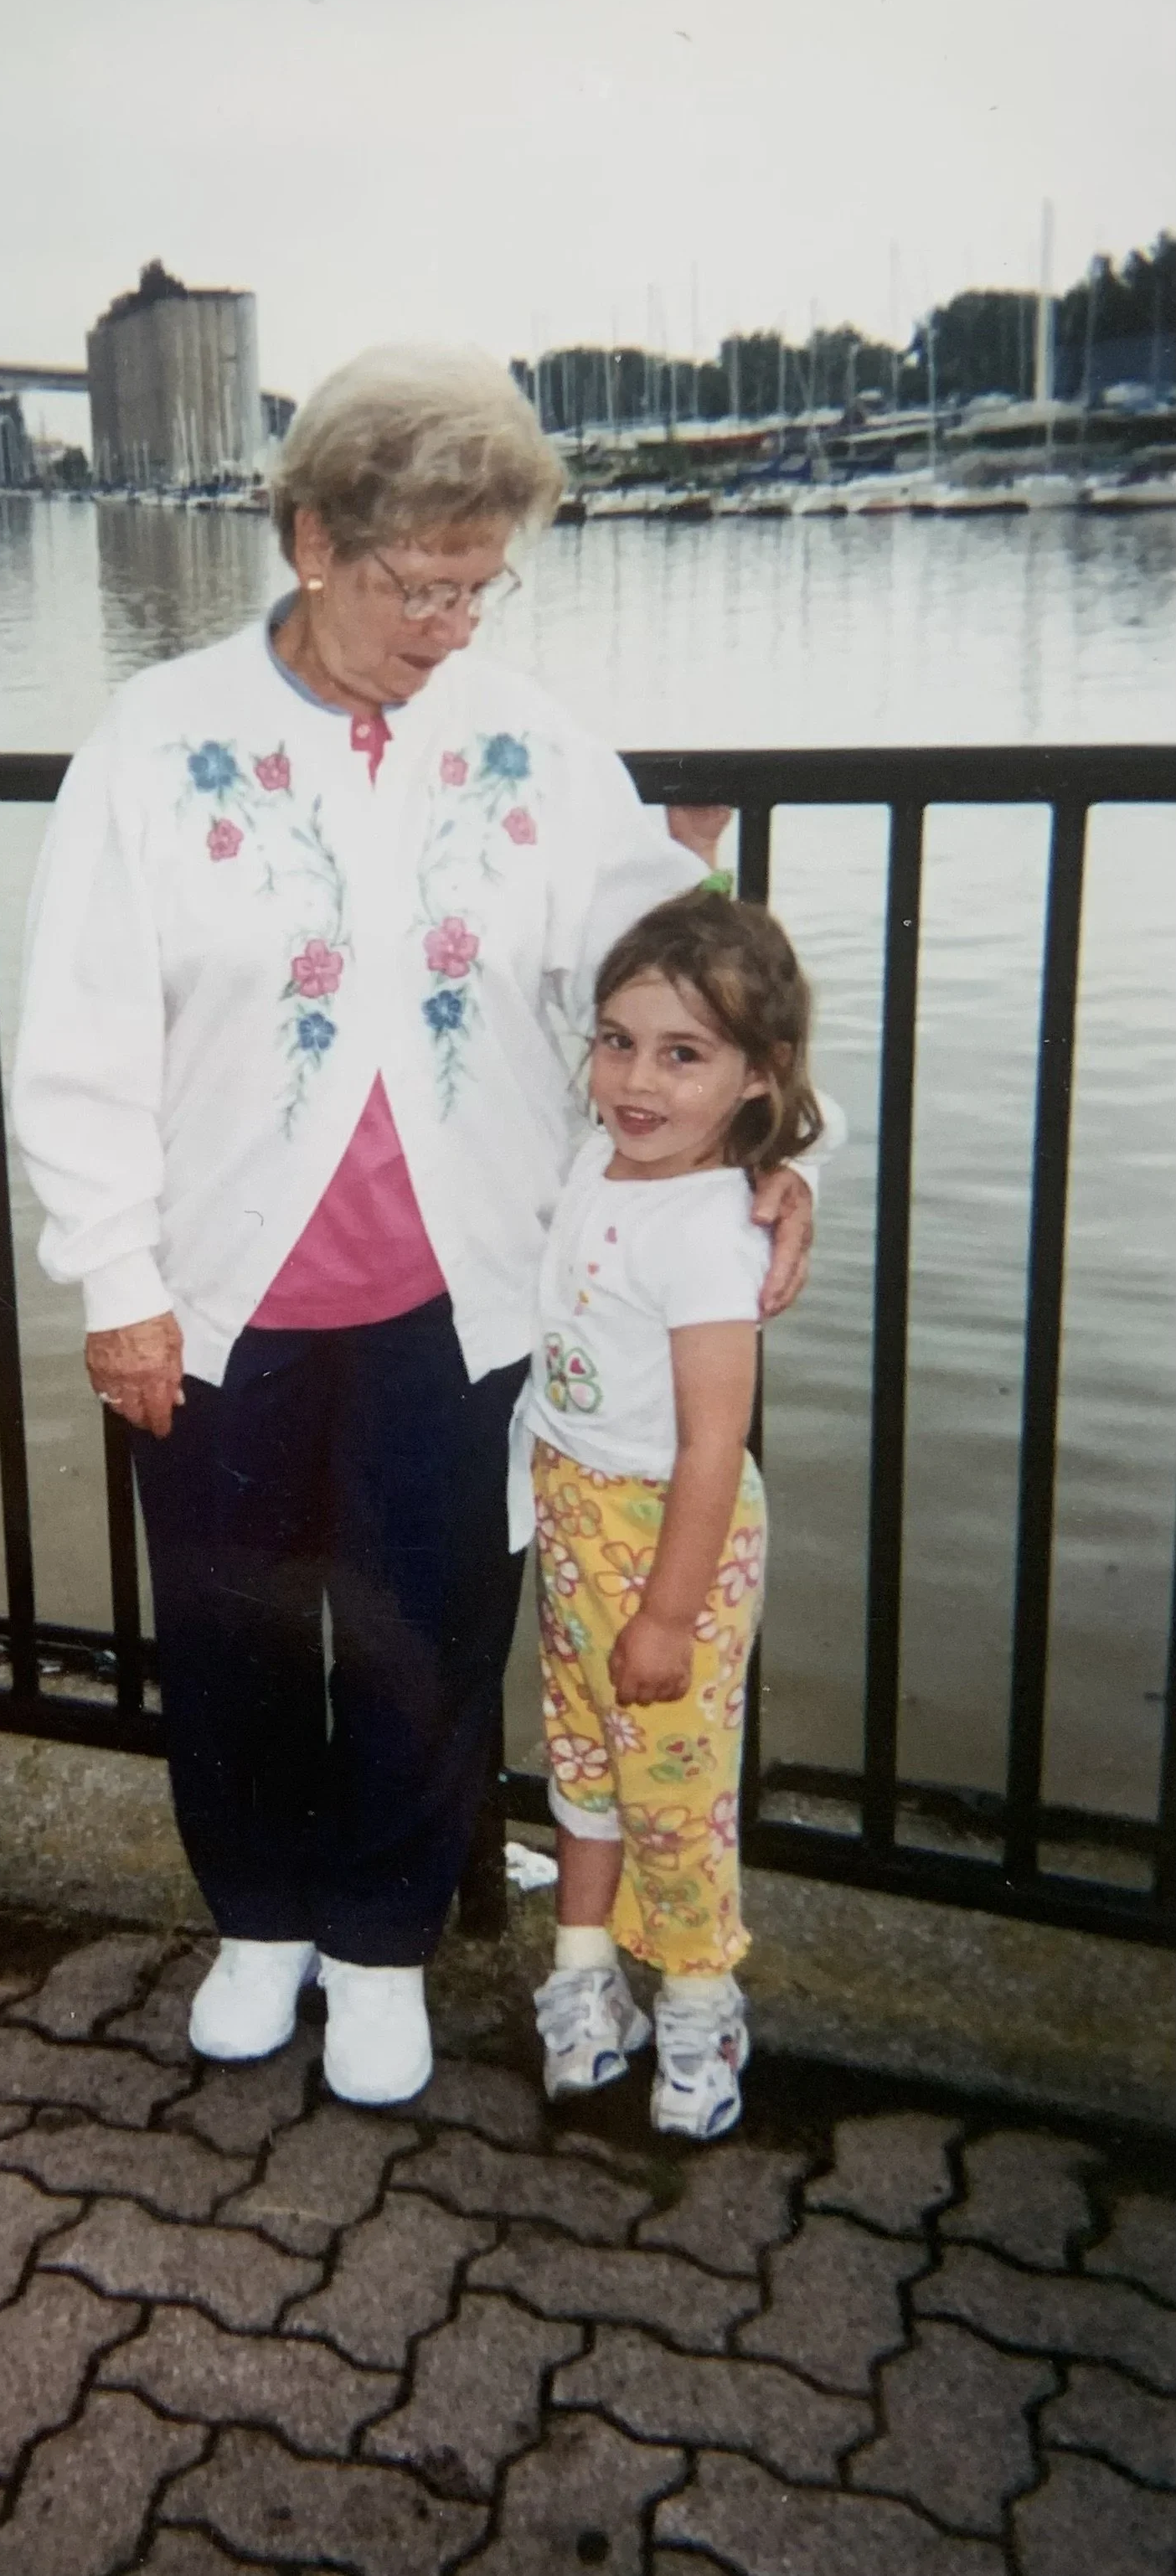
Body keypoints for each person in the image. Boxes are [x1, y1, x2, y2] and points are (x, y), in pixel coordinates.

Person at [11, 344, 814, 2110]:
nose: (449, 620)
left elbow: (677, 962)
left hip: (463, 1299)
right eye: (415, 582)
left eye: (475, 582)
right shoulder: (157, 739)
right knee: (224, 1620)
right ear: (311, 538)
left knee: (426, 1624)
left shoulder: (522, 739)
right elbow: (75, 1030)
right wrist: (117, 1277)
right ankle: (258, 1922)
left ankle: (378, 1941)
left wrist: (777, 1145)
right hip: (216, 1295)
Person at [518, 888, 822, 2140]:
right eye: (617, 1040)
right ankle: (587, 1976)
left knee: (678, 1791)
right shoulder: (598, 1155)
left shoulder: (711, 1232)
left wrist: (668, 1613)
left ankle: (701, 2003)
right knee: (586, 1764)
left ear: (757, 1077)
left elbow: (712, 1443)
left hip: (668, 1543)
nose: (636, 1079)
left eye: (683, 1054)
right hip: (578, 1518)